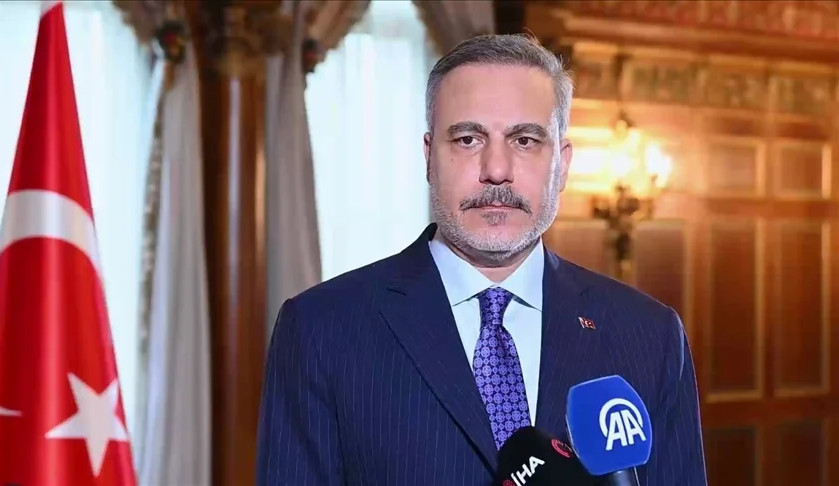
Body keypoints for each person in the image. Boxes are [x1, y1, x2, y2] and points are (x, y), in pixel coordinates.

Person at [255, 34, 706, 485]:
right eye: (468, 139)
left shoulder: (650, 335)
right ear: (429, 157)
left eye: (525, 140)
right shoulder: (321, 329)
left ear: (562, 164)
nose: (496, 170)